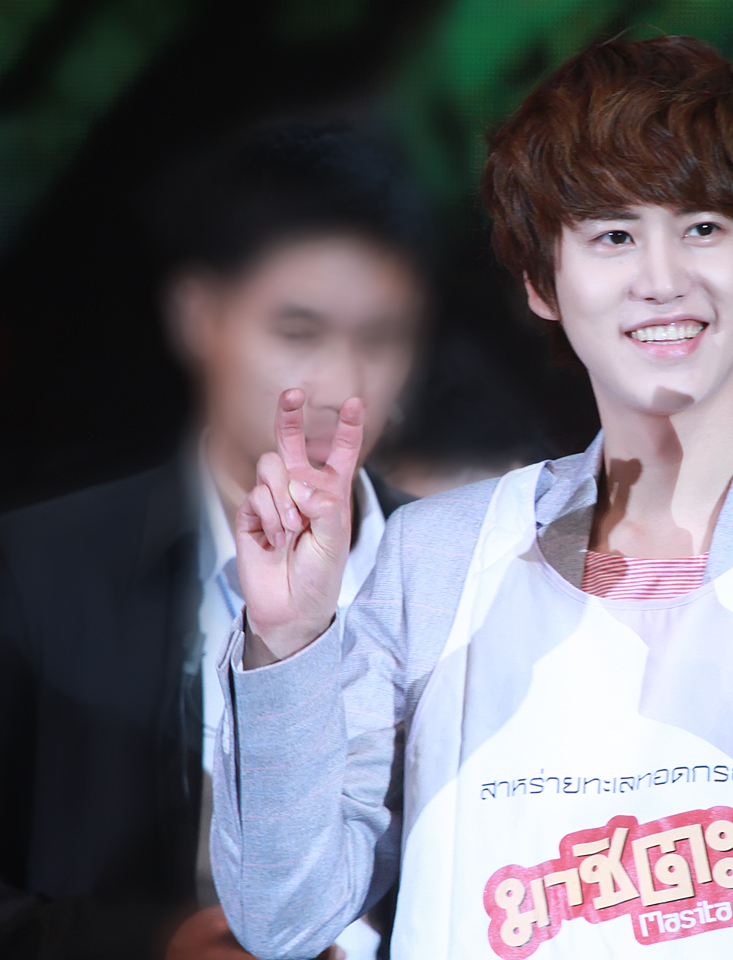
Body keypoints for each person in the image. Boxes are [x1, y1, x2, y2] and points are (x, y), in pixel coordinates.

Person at [211, 36, 733, 959]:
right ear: (542, 283)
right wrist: (287, 647)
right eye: (612, 235)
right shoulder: (439, 558)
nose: (662, 280)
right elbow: (284, 920)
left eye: (704, 228)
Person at [0, 118, 427, 959]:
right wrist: (145, 944)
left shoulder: (464, 575)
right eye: (298, 332)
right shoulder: (39, 570)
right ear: (200, 315)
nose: (342, 384)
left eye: (380, 339)